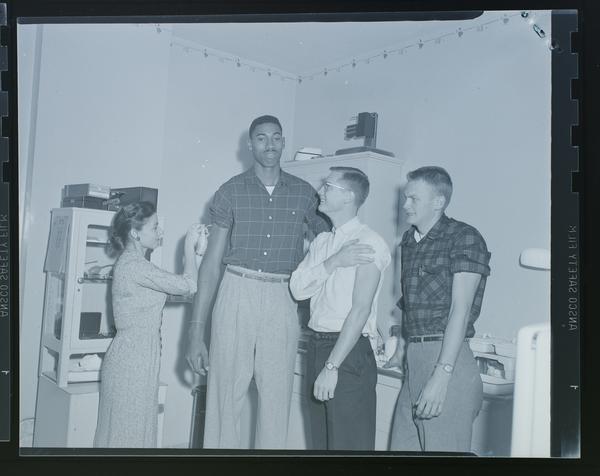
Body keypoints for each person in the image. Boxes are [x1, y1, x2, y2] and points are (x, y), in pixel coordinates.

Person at [186, 115, 330, 449]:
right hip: (236, 291)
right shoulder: (230, 191)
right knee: (224, 398)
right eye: (262, 138)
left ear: (284, 143)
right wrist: (195, 332)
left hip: (283, 297)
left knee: (276, 401)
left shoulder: (305, 194)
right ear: (250, 145)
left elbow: (330, 242)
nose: (270, 145)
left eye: (276, 137)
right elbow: (210, 266)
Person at [386, 166, 491, 453]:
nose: (405, 205)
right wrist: (403, 347)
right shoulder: (409, 241)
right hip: (415, 360)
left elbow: (460, 310)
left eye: (413, 199)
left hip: (447, 360)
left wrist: (442, 375)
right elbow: (409, 301)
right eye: (405, 198)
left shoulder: (464, 237)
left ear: (438, 202)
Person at [289, 167, 391, 450]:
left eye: (328, 186)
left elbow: (360, 311)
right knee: (321, 446)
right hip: (317, 346)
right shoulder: (322, 243)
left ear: (348, 197)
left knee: (348, 449)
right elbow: (298, 289)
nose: (320, 191)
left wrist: (332, 366)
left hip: (347, 352)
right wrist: (334, 262)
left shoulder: (369, 242)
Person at [94, 201, 207, 448]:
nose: (160, 232)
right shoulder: (134, 266)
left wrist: (197, 254)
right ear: (135, 233)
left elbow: (182, 293)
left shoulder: (137, 264)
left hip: (138, 358)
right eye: (155, 227)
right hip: (131, 362)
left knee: (134, 436)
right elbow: (188, 285)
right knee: (128, 438)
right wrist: (189, 247)